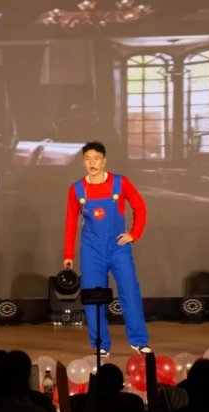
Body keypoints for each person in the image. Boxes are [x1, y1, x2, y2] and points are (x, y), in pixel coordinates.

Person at [63, 141, 150, 357]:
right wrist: (68, 254)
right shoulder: (77, 189)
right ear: (83, 162)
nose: (92, 163)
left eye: (96, 159)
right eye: (87, 159)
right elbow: (71, 223)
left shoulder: (120, 182)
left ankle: (139, 341)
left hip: (118, 248)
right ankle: (100, 343)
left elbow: (139, 206)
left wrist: (134, 234)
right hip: (92, 250)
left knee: (130, 291)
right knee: (94, 297)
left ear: (104, 161)